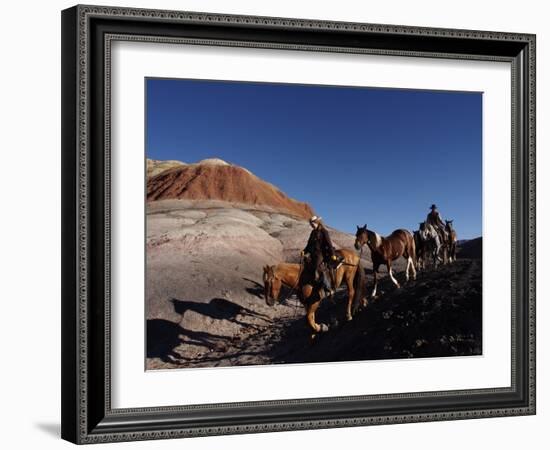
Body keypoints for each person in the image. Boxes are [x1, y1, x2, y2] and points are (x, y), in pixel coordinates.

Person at [301, 216, 340, 296]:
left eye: (312, 224)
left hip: (321, 253)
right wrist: (304, 251)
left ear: (317, 223)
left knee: (318, 267)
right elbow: (309, 244)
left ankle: (328, 288)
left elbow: (329, 244)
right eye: (311, 224)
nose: (311, 225)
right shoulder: (313, 232)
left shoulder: (324, 231)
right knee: (306, 265)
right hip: (312, 253)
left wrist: (333, 254)